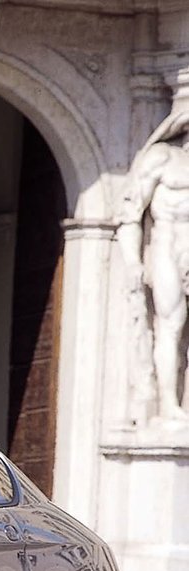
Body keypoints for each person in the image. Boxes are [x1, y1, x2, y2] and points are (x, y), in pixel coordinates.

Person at [118, 109, 189, 422]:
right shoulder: (162, 158)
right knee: (169, 326)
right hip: (168, 247)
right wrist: (133, 260)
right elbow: (131, 214)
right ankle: (167, 405)